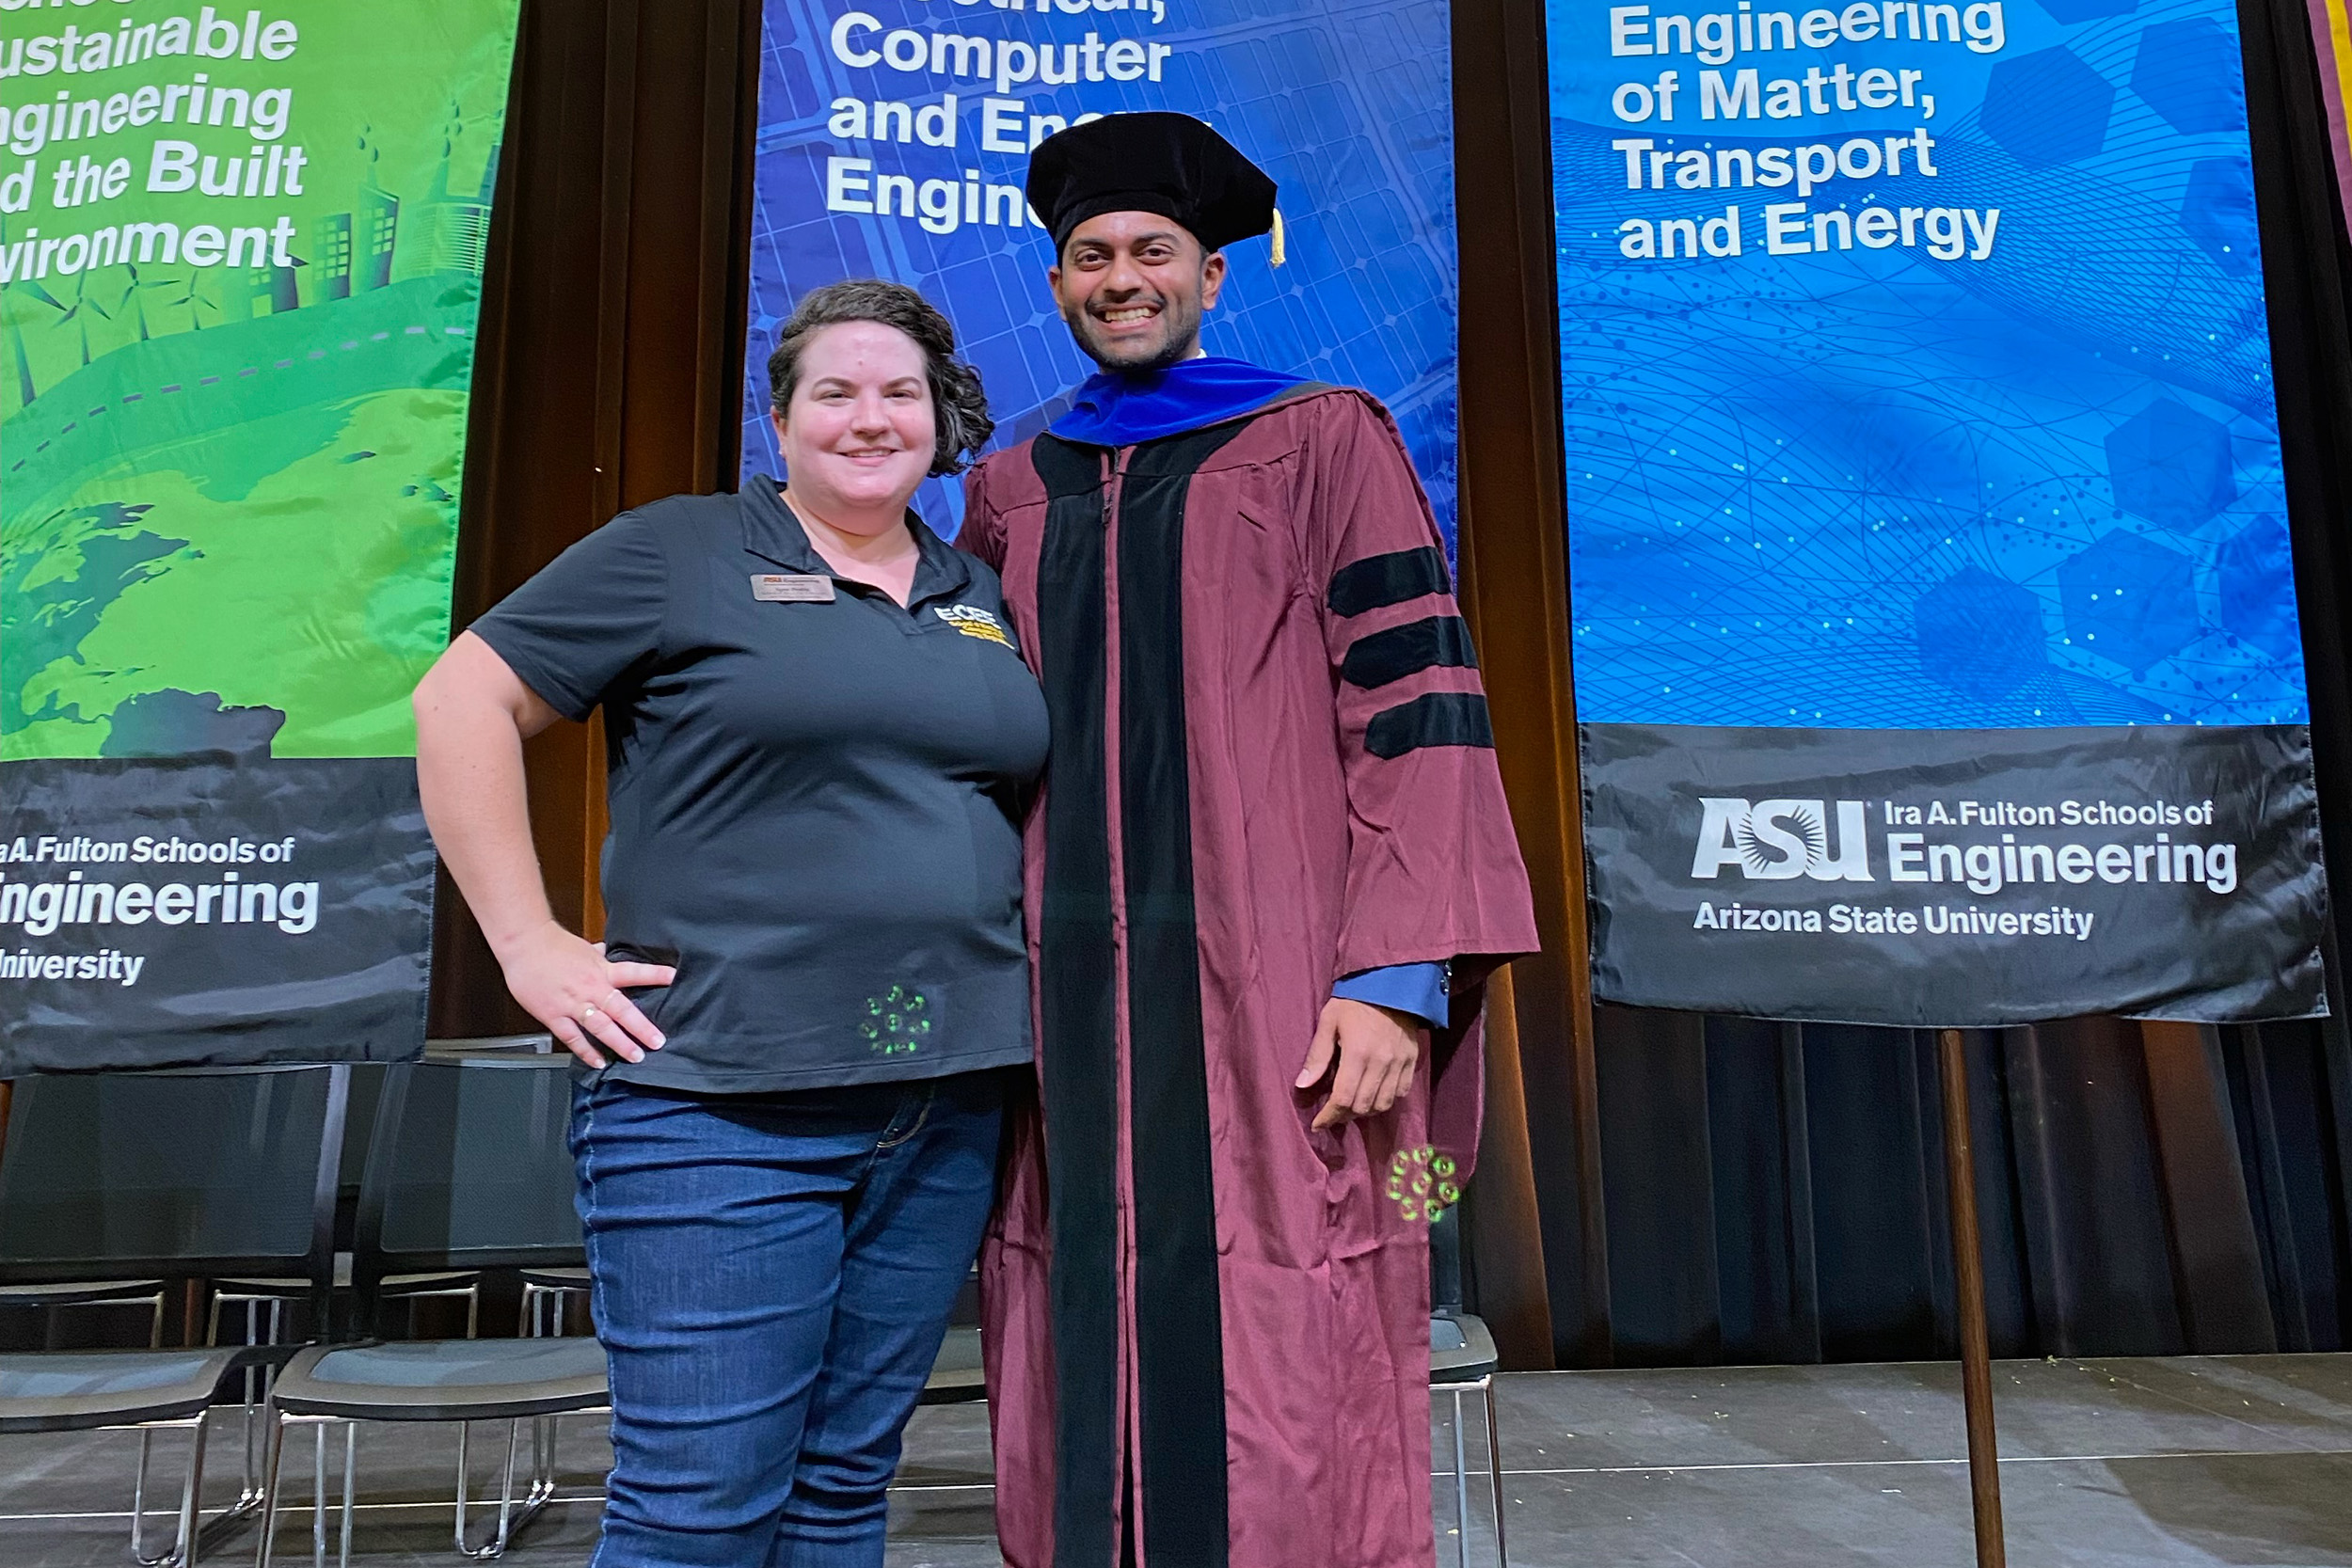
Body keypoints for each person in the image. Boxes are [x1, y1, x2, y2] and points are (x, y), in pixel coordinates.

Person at [961, 113, 1541, 1568]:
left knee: (1292, 1297)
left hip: (1279, 982)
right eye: (1090, 256)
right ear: (1058, 287)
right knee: (1067, 1287)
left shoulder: (1324, 438)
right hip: (1064, 997)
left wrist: (1397, 971)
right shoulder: (1011, 488)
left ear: (1212, 275)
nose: (1121, 277)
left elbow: (1415, 712)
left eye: (1152, 251)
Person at [411, 278, 1048, 1568]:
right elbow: (459, 704)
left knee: (838, 1493)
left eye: (900, 393)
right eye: (836, 392)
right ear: (782, 419)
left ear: (941, 416)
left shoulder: (978, 588)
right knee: (699, 1507)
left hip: (946, 1103)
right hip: (720, 1104)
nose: (869, 418)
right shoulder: (681, 551)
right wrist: (529, 947)